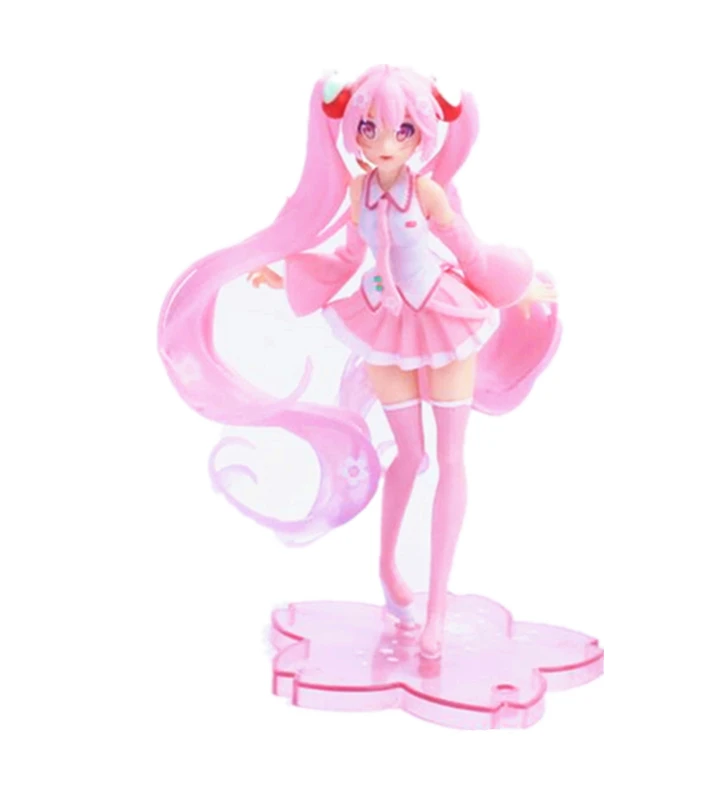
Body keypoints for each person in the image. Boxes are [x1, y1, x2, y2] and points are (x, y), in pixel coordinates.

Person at [158, 64, 560, 659]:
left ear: (422, 133)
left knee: (450, 457)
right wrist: (287, 271)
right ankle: (390, 571)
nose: (384, 143)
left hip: (443, 314)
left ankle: (438, 607)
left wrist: (515, 287)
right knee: (410, 454)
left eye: (402, 130)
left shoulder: (428, 193)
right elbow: (347, 256)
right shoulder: (358, 192)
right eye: (369, 129)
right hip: (382, 321)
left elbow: (470, 253)